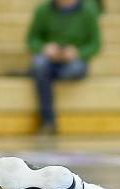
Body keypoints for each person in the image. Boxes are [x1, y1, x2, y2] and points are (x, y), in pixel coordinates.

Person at [27, 0, 101, 135]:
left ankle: (42, 75)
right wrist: (44, 48)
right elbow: (32, 39)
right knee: (40, 65)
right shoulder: (43, 10)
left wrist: (78, 52)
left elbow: (95, 45)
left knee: (69, 69)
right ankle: (48, 122)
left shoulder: (88, 11)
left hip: (74, 61)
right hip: (50, 58)